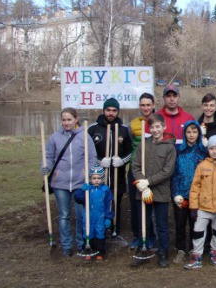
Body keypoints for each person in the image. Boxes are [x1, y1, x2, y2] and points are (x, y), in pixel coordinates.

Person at [41, 107, 97, 257]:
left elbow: (92, 158)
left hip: (80, 182)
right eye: (64, 120)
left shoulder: (84, 136)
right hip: (60, 183)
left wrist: (90, 176)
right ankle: (66, 246)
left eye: (69, 120)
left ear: (76, 119)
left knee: (80, 215)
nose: (66, 123)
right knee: (64, 215)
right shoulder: (55, 137)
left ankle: (81, 244)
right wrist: (45, 166)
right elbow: (49, 156)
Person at [131, 113, 177, 268]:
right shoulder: (143, 144)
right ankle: (143, 248)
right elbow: (135, 165)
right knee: (144, 222)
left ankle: (163, 252)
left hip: (161, 193)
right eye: (152, 127)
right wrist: (141, 184)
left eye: (158, 126)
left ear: (164, 127)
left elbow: (167, 171)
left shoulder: (170, 147)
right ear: (148, 128)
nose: (155, 130)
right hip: (142, 191)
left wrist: (148, 182)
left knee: (162, 225)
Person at [184, 136, 216, 269]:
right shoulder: (202, 165)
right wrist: (193, 207)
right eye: (212, 148)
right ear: (208, 149)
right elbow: (195, 187)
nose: (215, 151)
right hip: (203, 207)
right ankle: (196, 256)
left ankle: (215, 253)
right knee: (198, 232)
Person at [88, 97, 133, 239]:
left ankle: (115, 229)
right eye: (108, 110)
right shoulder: (93, 128)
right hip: (98, 175)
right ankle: (98, 231)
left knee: (115, 202)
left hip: (117, 174)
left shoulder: (124, 129)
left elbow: (130, 151)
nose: (111, 113)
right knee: (98, 202)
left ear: (118, 112)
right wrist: (99, 161)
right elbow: (87, 152)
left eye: (114, 111)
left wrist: (122, 161)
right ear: (104, 110)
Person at [171, 121, 208, 264]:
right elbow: (173, 174)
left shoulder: (203, 152)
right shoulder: (178, 150)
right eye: (188, 132)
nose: (191, 135)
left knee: (195, 223)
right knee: (180, 223)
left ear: (199, 133)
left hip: (197, 196)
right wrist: (175, 194)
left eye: (194, 132)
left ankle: (195, 249)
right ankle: (180, 249)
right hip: (181, 194)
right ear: (184, 133)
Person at [128, 92, 156, 250]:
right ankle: (138, 235)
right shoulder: (133, 124)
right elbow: (131, 146)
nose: (145, 108)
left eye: (148, 105)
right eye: (142, 105)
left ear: (153, 105)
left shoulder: (157, 122)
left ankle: (151, 236)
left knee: (150, 203)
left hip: (152, 171)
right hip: (135, 169)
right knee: (136, 203)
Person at [74, 165, 114, 262]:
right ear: (90, 178)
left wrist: (108, 217)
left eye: (99, 178)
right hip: (88, 216)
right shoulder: (88, 189)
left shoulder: (105, 190)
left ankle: (100, 252)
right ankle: (88, 251)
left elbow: (109, 205)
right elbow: (78, 199)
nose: (96, 180)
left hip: (100, 217)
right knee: (88, 233)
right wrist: (81, 191)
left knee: (100, 234)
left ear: (102, 179)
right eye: (94, 178)